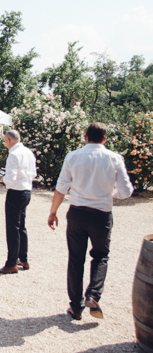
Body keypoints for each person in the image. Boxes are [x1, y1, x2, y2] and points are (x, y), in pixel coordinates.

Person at [48, 122, 133, 320]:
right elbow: (126, 191)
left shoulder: (73, 156)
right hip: (101, 214)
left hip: (77, 212)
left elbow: (61, 188)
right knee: (101, 255)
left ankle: (76, 306)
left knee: (76, 259)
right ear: (104, 139)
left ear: (85, 136)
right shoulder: (114, 158)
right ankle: (93, 295)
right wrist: (112, 194)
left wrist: (53, 212)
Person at [0, 130, 36, 275]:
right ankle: (23, 258)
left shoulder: (13, 154)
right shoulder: (29, 152)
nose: (5, 144)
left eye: (5, 141)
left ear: (9, 140)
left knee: (12, 228)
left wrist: (1, 178)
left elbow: (10, 178)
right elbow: (33, 174)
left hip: (15, 192)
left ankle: (11, 263)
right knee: (21, 226)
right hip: (26, 191)